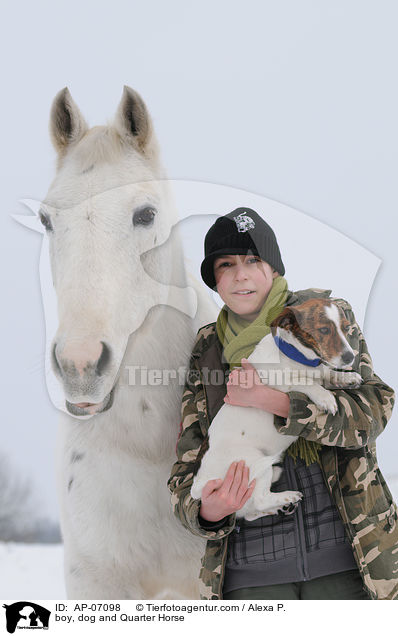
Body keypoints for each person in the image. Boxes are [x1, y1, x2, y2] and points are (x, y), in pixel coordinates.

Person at [168, 207, 398, 600]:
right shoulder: (205, 352)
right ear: (215, 281)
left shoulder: (326, 317)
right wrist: (208, 512)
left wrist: (277, 402)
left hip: (349, 562)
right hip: (250, 577)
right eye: (226, 265)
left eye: (253, 260)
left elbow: (372, 411)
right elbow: (186, 470)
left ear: (274, 269)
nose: (241, 274)